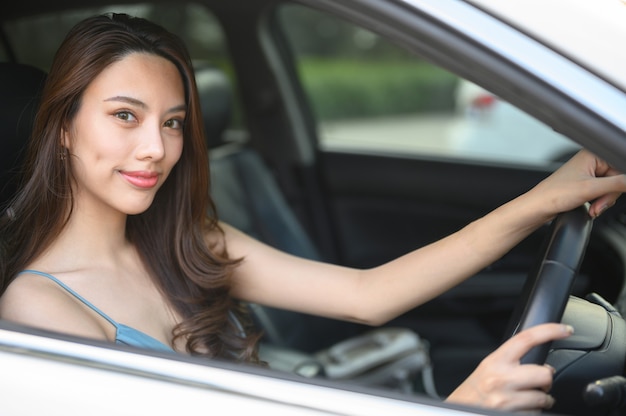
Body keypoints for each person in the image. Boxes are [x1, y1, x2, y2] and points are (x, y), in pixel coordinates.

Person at [0, 13, 624, 413]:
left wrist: (543, 199)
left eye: (173, 123)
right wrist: (462, 406)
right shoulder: (39, 309)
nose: (155, 149)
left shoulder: (188, 239)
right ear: (61, 127)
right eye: (124, 116)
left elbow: (368, 294)